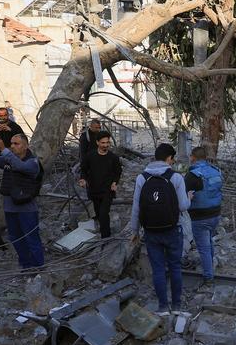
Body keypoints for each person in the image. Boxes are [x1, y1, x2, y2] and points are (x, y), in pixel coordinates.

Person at [128, 143, 190, 315]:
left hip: (151, 231)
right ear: (169, 158)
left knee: (158, 269)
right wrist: (189, 197)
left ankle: (163, 307)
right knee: (175, 267)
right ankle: (176, 307)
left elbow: (136, 208)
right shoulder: (176, 178)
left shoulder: (142, 178)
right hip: (173, 229)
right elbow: (183, 206)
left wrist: (135, 231)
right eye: (172, 159)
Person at [0, 132, 44, 269]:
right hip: (10, 208)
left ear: (26, 146)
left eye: (16, 144)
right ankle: (26, 266)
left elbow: (20, 166)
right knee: (15, 238)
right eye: (11, 144)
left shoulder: (33, 163)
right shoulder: (8, 160)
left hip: (27, 209)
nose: (12, 146)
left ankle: (38, 267)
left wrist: (3, 149)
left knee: (32, 239)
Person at [185, 146, 224, 281]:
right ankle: (211, 267)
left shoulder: (192, 175)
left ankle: (208, 277)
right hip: (216, 214)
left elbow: (184, 195)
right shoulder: (216, 171)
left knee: (203, 247)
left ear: (193, 157)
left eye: (191, 157)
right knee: (208, 242)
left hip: (200, 217)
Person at [78, 131, 122, 238]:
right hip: (94, 190)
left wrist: (115, 182)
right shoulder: (90, 156)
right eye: (103, 143)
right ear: (97, 142)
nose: (105, 145)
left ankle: (105, 238)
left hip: (108, 191)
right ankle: (102, 231)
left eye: (107, 143)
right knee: (98, 214)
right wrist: (83, 179)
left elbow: (118, 172)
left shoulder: (113, 158)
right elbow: (83, 169)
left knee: (103, 214)